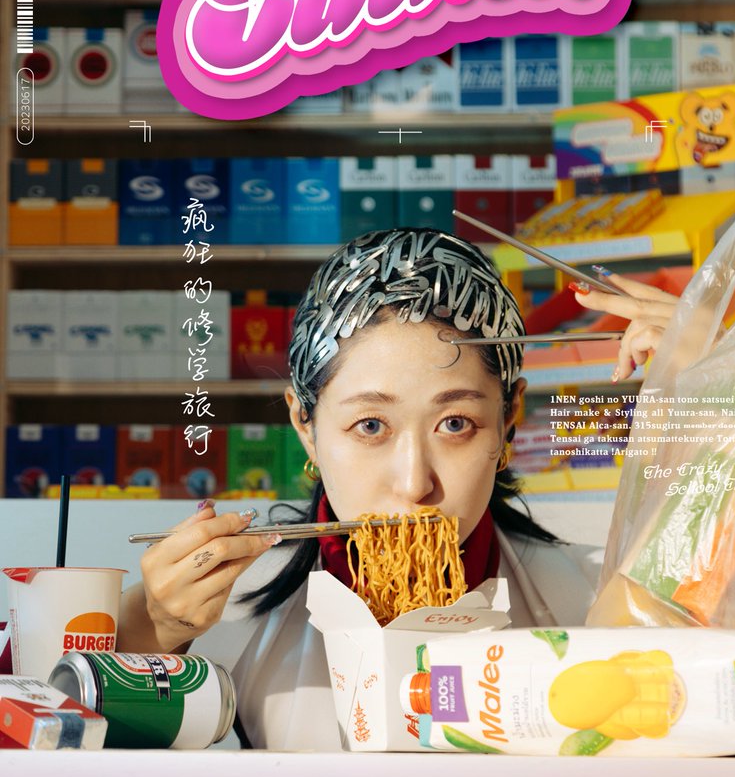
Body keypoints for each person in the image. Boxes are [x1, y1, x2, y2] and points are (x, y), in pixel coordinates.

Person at [118, 228, 678, 749]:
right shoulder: (228, 612)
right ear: (305, 426)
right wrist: (153, 630)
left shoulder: (600, 602)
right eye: (370, 426)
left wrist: (721, 386)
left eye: (455, 424)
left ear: (508, 418)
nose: (414, 484)